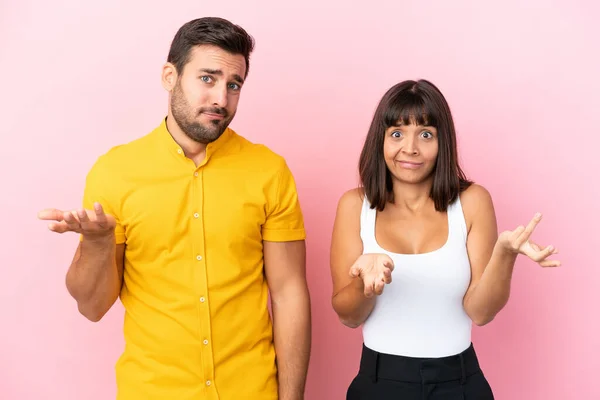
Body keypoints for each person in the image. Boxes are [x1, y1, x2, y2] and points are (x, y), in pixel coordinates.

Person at [38, 17, 311, 400]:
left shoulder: (269, 171)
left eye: (234, 85)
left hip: (250, 389)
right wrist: (98, 245)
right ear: (170, 76)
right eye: (207, 78)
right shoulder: (116, 172)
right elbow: (92, 307)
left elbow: (289, 293)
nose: (221, 98)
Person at [329, 79, 560, 399]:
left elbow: (481, 313)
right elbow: (348, 316)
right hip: (380, 383)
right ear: (379, 141)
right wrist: (366, 280)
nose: (410, 148)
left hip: (459, 382)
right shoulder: (355, 205)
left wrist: (504, 254)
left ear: (443, 142)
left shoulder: (472, 201)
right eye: (397, 133)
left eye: (426, 134)